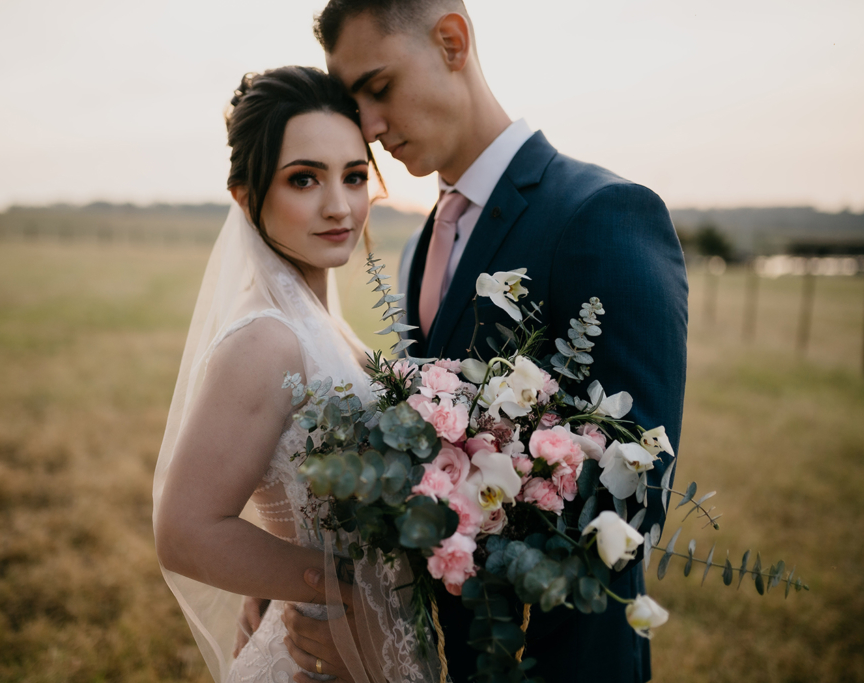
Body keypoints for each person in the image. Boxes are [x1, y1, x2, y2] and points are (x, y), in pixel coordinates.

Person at [280, 2, 689, 682]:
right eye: (355, 104)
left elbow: (636, 486)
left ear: (452, 39)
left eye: (379, 88)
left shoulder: (604, 213)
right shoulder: (418, 249)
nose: (371, 127)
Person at [152, 65, 441, 683]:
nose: (339, 206)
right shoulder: (266, 340)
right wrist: (338, 586)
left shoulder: (321, 327)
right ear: (246, 195)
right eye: (304, 179)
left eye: (355, 176)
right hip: (318, 656)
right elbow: (184, 530)